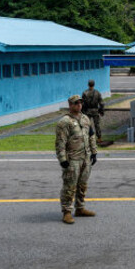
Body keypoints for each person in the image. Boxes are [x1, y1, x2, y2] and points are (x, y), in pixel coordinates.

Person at [56, 94, 98, 224]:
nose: (79, 105)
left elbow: (91, 136)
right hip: (73, 159)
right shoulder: (64, 122)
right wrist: (62, 159)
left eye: (80, 103)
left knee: (82, 185)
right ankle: (67, 212)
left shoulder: (85, 118)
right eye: (76, 103)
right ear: (70, 105)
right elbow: (60, 142)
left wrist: (94, 152)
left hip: (85, 157)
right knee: (69, 186)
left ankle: (80, 208)